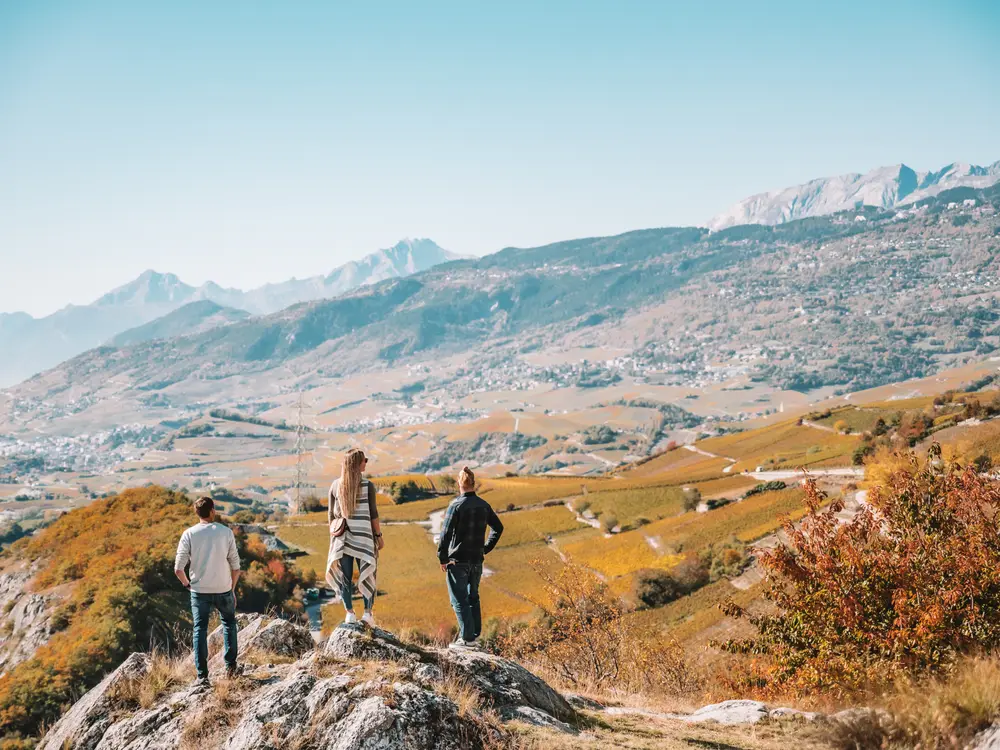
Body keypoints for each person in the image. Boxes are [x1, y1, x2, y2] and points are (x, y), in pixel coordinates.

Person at [174, 496, 242, 686]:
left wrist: (188, 585)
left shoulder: (189, 534)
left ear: (197, 513)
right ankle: (231, 668)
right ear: (212, 511)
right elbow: (236, 566)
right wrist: (232, 589)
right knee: (229, 624)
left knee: (200, 630)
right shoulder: (225, 532)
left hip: (199, 590)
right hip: (223, 588)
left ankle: (202, 676)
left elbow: (178, 569)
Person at [437, 467, 503, 648]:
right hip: (477, 560)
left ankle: (467, 639)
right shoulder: (484, 505)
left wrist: (442, 558)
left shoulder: (456, 506)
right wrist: (485, 548)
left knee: (458, 599)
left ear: (459, 483)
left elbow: (445, 535)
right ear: (474, 484)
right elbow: (498, 528)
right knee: (473, 597)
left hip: (457, 561)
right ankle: (474, 635)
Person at [326, 448, 384, 626]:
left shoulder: (336, 485)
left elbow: (330, 515)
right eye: (364, 460)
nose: (366, 462)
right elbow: (373, 513)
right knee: (368, 574)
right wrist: (378, 536)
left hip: (342, 538)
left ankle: (349, 613)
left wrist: (335, 537)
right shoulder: (368, 486)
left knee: (346, 577)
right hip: (365, 538)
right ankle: (367, 614)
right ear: (357, 464)